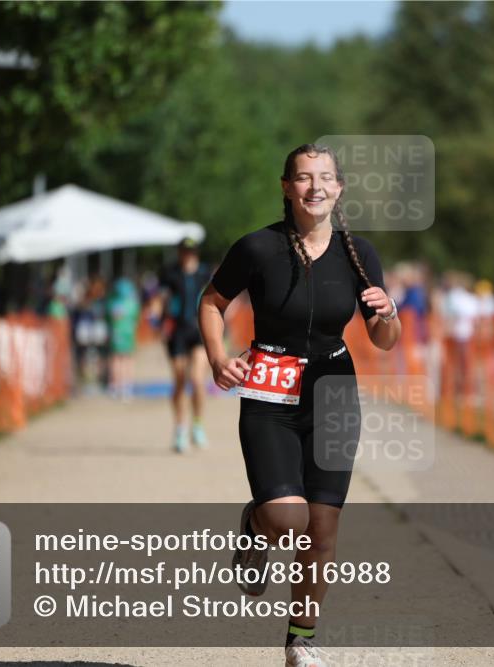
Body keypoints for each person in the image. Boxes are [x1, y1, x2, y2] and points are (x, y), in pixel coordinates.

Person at [198, 143, 400, 667]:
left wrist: (388, 313)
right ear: (287, 187)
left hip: (333, 394)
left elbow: (384, 340)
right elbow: (212, 302)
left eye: (325, 177)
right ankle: (256, 526)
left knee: (322, 530)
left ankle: (300, 641)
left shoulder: (360, 254)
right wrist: (218, 357)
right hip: (270, 390)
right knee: (288, 518)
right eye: (305, 178)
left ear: (339, 188)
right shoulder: (257, 248)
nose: (316, 187)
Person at [160, 238, 211, 452]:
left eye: (191, 251)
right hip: (177, 331)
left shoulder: (205, 273)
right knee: (180, 380)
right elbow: (161, 299)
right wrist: (158, 316)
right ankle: (180, 429)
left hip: (199, 329)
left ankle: (197, 424)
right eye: (184, 251)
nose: (187, 255)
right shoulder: (169, 273)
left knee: (197, 380)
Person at [106, 277, 140, 402]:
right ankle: (127, 386)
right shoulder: (132, 303)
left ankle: (115, 386)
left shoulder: (112, 303)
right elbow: (136, 318)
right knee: (128, 360)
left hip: (116, 334)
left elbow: (107, 318)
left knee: (116, 360)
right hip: (128, 334)